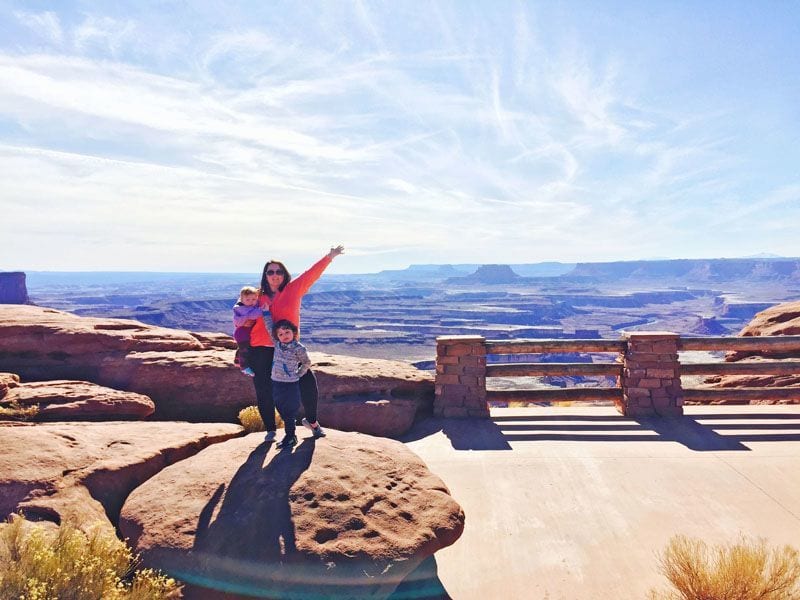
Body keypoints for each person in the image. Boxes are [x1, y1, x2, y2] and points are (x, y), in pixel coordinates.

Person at [249, 245, 345, 441]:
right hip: (261, 348)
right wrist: (241, 349)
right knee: (264, 389)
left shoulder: (294, 289)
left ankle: (312, 421)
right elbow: (241, 317)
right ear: (265, 275)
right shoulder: (257, 296)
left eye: (279, 271)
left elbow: (312, 274)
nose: (275, 275)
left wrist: (330, 256)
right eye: (270, 272)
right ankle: (270, 430)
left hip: (289, 348)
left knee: (307, 383)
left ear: (284, 274)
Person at [261, 311, 311, 449]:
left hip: (290, 385)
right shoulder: (277, 344)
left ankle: (290, 437)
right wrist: (265, 312)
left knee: (289, 412)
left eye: (287, 332)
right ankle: (290, 436)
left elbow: (306, 362)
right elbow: (269, 326)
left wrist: (298, 374)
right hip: (276, 382)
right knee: (280, 409)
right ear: (277, 336)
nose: (284, 336)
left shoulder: (298, 348)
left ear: (293, 332)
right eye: (281, 334)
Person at [232, 286, 261, 377]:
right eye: (248, 299)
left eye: (254, 299)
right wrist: (263, 310)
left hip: (244, 333)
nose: (251, 302)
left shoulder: (248, 305)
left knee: (242, 348)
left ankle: (237, 361)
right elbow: (254, 315)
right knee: (245, 350)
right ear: (241, 299)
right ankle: (244, 367)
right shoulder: (242, 308)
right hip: (242, 334)